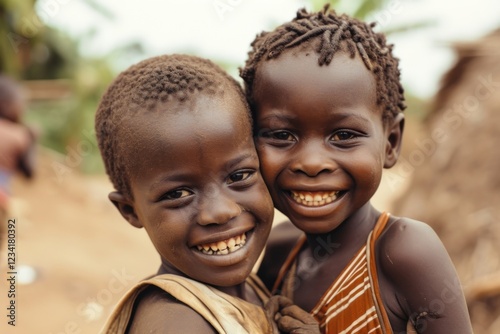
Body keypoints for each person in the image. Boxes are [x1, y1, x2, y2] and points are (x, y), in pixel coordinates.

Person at [240, 5, 473, 334]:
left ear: (390, 142)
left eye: (343, 136)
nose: (311, 163)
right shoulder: (279, 251)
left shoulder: (404, 250)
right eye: (282, 135)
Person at [95, 53, 313, 333]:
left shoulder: (249, 292)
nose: (221, 212)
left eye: (239, 176)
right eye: (177, 194)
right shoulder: (177, 325)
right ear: (130, 210)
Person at [0, 75, 36, 247]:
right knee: (10, 236)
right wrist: (32, 141)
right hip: (3, 199)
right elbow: (29, 173)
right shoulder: (19, 135)